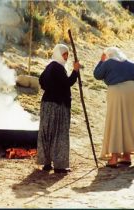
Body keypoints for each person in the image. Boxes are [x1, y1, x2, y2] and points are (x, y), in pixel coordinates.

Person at [93, 47, 134, 168]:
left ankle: (114, 158)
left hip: (117, 92)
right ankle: (127, 156)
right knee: (129, 123)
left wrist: (101, 61)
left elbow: (97, 75)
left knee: (116, 121)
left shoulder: (108, 62)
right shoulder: (132, 64)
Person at [37, 43, 80, 173]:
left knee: (48, 133)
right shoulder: (57, 67)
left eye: (67, 54)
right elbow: (67, 83)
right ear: (59, 54)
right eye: (64, 54)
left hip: (47, 104)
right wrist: (75, 71)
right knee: (59, 134)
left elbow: (42, 81)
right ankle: (60, 166)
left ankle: (47, 163)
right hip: (58, 106)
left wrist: (52, 88)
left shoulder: (50, 66)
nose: (66, 57)